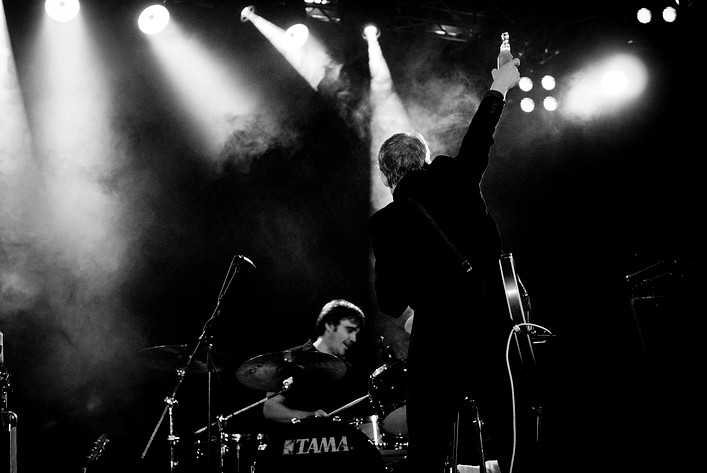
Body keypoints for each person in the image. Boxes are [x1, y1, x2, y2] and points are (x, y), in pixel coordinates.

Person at [369, 53, 522, 473]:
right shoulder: (456, 177)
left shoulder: (386, 222)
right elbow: (479, 136)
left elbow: (388, 301)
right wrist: (499, 86)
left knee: (427, 450)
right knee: (511, 436)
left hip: (437, 342)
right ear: (423, 157)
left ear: (386, 177)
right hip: (492, 328)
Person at [262, 298, 369, 424]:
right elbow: (270, 409)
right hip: (296, 440)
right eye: (349, 330)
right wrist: (310, 416)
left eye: (356, 333)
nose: (354, 339)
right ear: (329, 325)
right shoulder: (292, 360)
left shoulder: (349, 371)